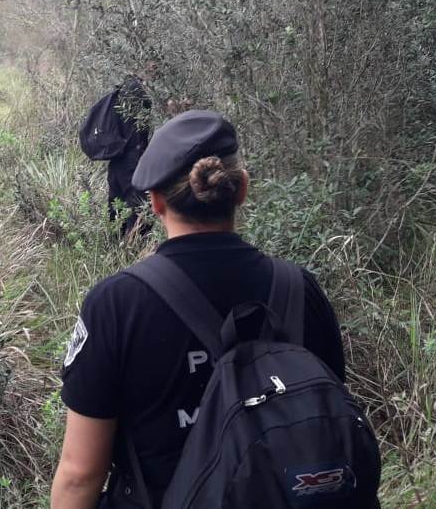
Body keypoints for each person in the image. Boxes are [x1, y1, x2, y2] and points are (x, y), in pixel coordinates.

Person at [50, 111, 347, 508]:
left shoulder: (116, 304)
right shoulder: (300, 289)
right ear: (241, 189)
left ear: (154, 202)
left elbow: (80, 474)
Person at [107, 72, 153, 237]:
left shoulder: (124, 86)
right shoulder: (141, 89)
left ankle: (116, 250)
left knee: (117, 207)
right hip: (134, 160)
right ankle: (134, 251)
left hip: (117, 159)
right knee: (137, 208)